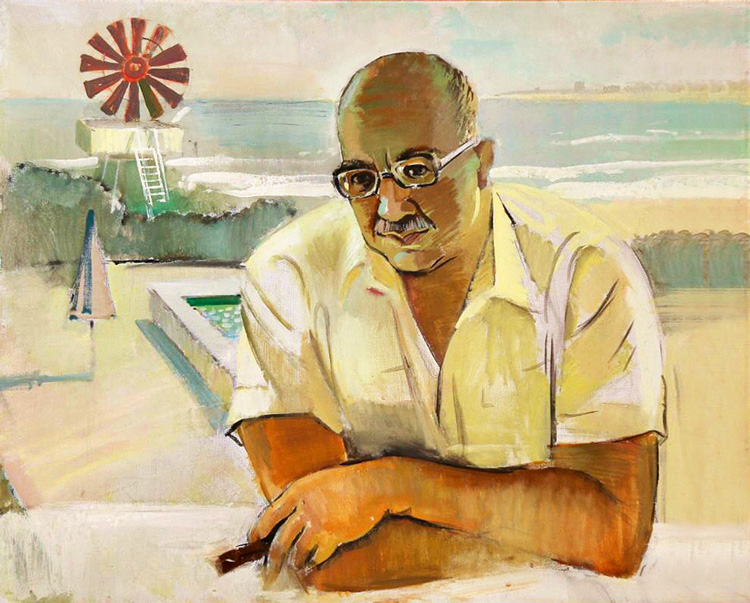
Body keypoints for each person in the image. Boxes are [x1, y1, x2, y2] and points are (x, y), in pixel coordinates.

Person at [226, 52, 667, 591]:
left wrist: (391, 485)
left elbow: (615, 535)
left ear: (481, 162)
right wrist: (548, 533)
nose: (389, 208)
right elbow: (317, 553)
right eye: (362, 179)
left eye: (417, 171)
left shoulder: (586, 268)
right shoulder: (287, 275)